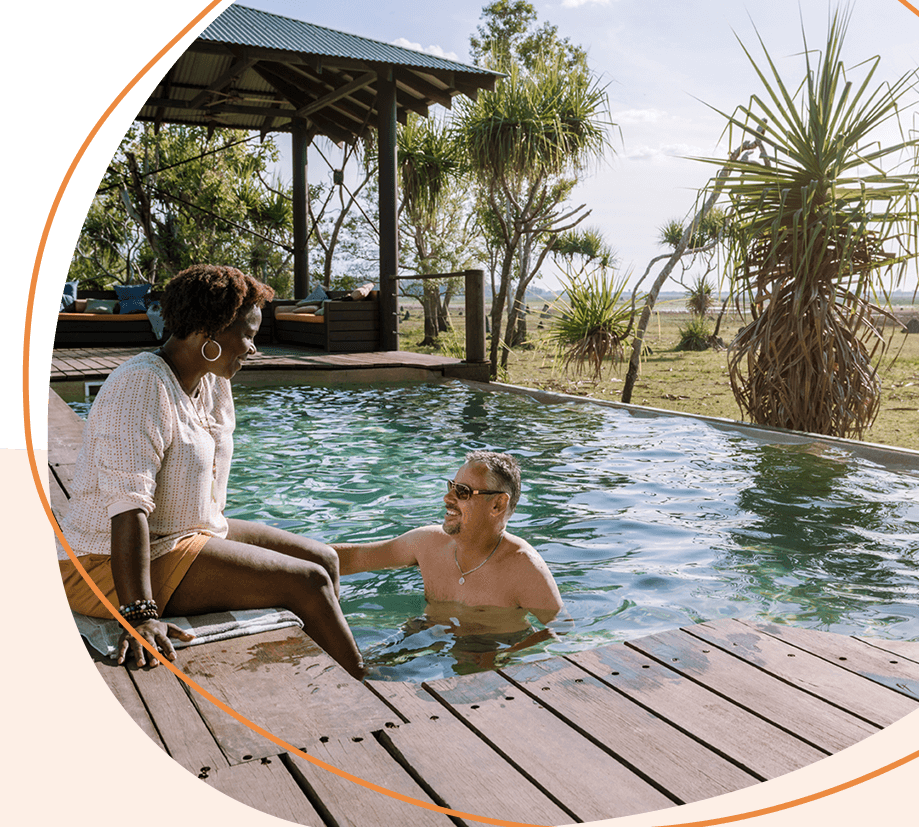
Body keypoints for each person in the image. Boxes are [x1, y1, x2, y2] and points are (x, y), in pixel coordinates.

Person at [56, 265, 365, 680]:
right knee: (307, 583)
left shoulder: (213, 381)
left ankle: (323, 667)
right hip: (103, 562)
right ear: (209, 333)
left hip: (185, 534)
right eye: (248, 335)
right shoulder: (140, 387)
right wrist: (139, 615)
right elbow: (128, 509)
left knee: (324, 559)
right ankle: (364, 679)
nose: (254, 348)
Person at [333, 451, 563, 629]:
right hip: (426, 637)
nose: (447, 498)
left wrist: (509, 654)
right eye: (451, 487)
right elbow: (353, 558)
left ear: (497, 505)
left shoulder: (523, 567)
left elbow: (561, 630)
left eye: (462, 491)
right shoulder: (427, 543)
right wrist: (297, 556)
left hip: (488, 658)